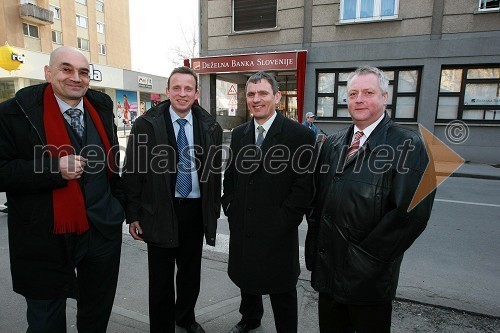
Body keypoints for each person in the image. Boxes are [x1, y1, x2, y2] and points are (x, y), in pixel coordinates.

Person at [0, 46, 125, 332]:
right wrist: (53, 169)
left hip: (102, 230)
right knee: (46, 320)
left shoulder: (101, 107)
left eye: (83, 72)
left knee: (96, 313)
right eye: (66, 69)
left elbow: (113, 163)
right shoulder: (14, 113)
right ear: (48, 73)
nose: (76, 78)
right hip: (45, 235)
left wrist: (118, 206)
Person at [305, 66, 436, 333]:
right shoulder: (333, 143)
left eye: (368, 92)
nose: (359, 99)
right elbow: (317, 200)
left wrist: (363, 261)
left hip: (369, 281)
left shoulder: (408, 145)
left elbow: (410, 216)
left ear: (385, 97)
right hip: (328, 273)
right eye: (353, 93)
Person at [123, 66, 222, 333]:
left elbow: (214, 174)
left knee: (190, 275)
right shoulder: (146, 123)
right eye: (176, 88)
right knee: (161, 280)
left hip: (194, 212)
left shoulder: (210, 126)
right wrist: (132, 214)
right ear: (167, 91)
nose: (182, 94)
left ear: (196, 93)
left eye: (188, 88)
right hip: (159, 210)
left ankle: (185, 318)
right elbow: (132, 170)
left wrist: (212, 209)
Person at [222, 71, 315, 333]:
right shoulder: (240, 134)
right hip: (243, 225)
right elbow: (231, 174)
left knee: (281, 289)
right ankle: (250, 319)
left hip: (277, 230)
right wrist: (229, 205)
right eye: (251, 94)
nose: (256, 99)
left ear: (276, 96)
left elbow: (303, 187)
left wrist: (282, 220)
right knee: (246, 280)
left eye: (263, 93)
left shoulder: (299, 135)